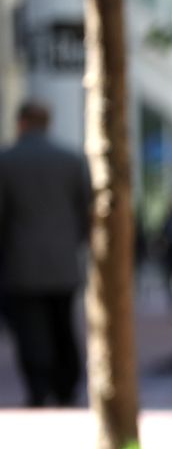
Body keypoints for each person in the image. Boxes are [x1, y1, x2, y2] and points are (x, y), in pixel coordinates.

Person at [0, 101, 92, 407]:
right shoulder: (70, 161)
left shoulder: (7, 161)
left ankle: (40, 386)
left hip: (21, 262)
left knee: (31, 330)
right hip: (63, 262)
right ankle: (66, 384)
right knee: (62, 323)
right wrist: (72, 242)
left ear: (22, 123)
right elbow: (86, 212)